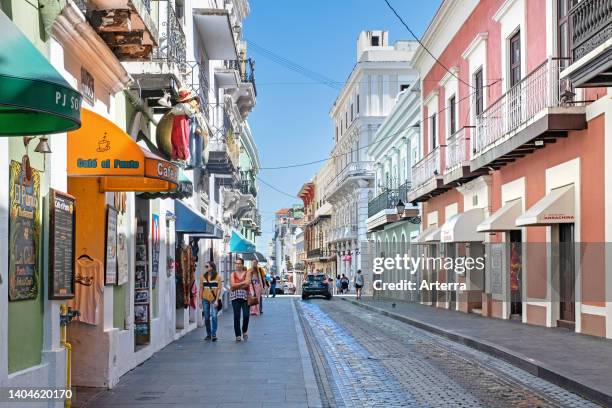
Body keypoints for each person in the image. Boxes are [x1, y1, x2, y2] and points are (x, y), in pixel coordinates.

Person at [230, 258, 252, 341]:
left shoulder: (247, 273)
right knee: (237, 316)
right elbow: (232, 285)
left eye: (239, 263)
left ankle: (244, 330)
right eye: (236, 263)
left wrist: (236, 285)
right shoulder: (233, 274)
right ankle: (238, 335)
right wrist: (242, 283)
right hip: (235, 297)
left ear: (242, 264)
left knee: (246, 315)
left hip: (245, 297)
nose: (237, 265)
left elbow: (247, 284)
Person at [201, 261, 221, 341]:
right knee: (206, 317)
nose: (205, 268)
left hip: (214, 299)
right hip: (205, 299)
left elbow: (219, 289)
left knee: (214, 316)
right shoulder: (203, 277)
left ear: (211, 267)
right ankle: (208, 334)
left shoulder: (217, 277)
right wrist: (200, 300)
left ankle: (214, 334)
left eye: (207, 266)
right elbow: (201, 289)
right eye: (205, 266)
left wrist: (216, 300)